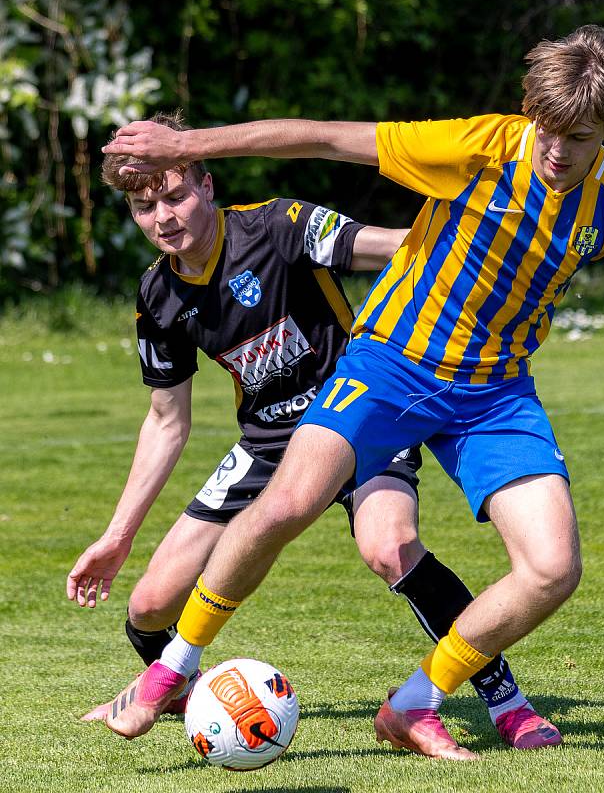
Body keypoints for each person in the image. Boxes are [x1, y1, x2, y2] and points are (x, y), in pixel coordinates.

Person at [97, 25, 604, 760]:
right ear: (529, 113)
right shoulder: (478, 146)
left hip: (496, 392)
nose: (558, 153)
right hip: (392, 364)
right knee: (286, 503)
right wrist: (187, 147)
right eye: (549, 132)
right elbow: (322, 137)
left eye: (582, 138)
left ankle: (414, 704)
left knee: (552, 568)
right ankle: (172, 668)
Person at [68, 112, 551, 751]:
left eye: (175, 195)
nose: (164, 217)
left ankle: (506, 703)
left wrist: (486, 244)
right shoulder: (157, 297)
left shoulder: (276, 225)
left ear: (207, 186)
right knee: (150, 606)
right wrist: (116, 537)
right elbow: (166, 423)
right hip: (268, 443)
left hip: (360, 416)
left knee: (390, 545)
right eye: (142, 206)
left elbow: (390, 245)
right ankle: (205, 698)